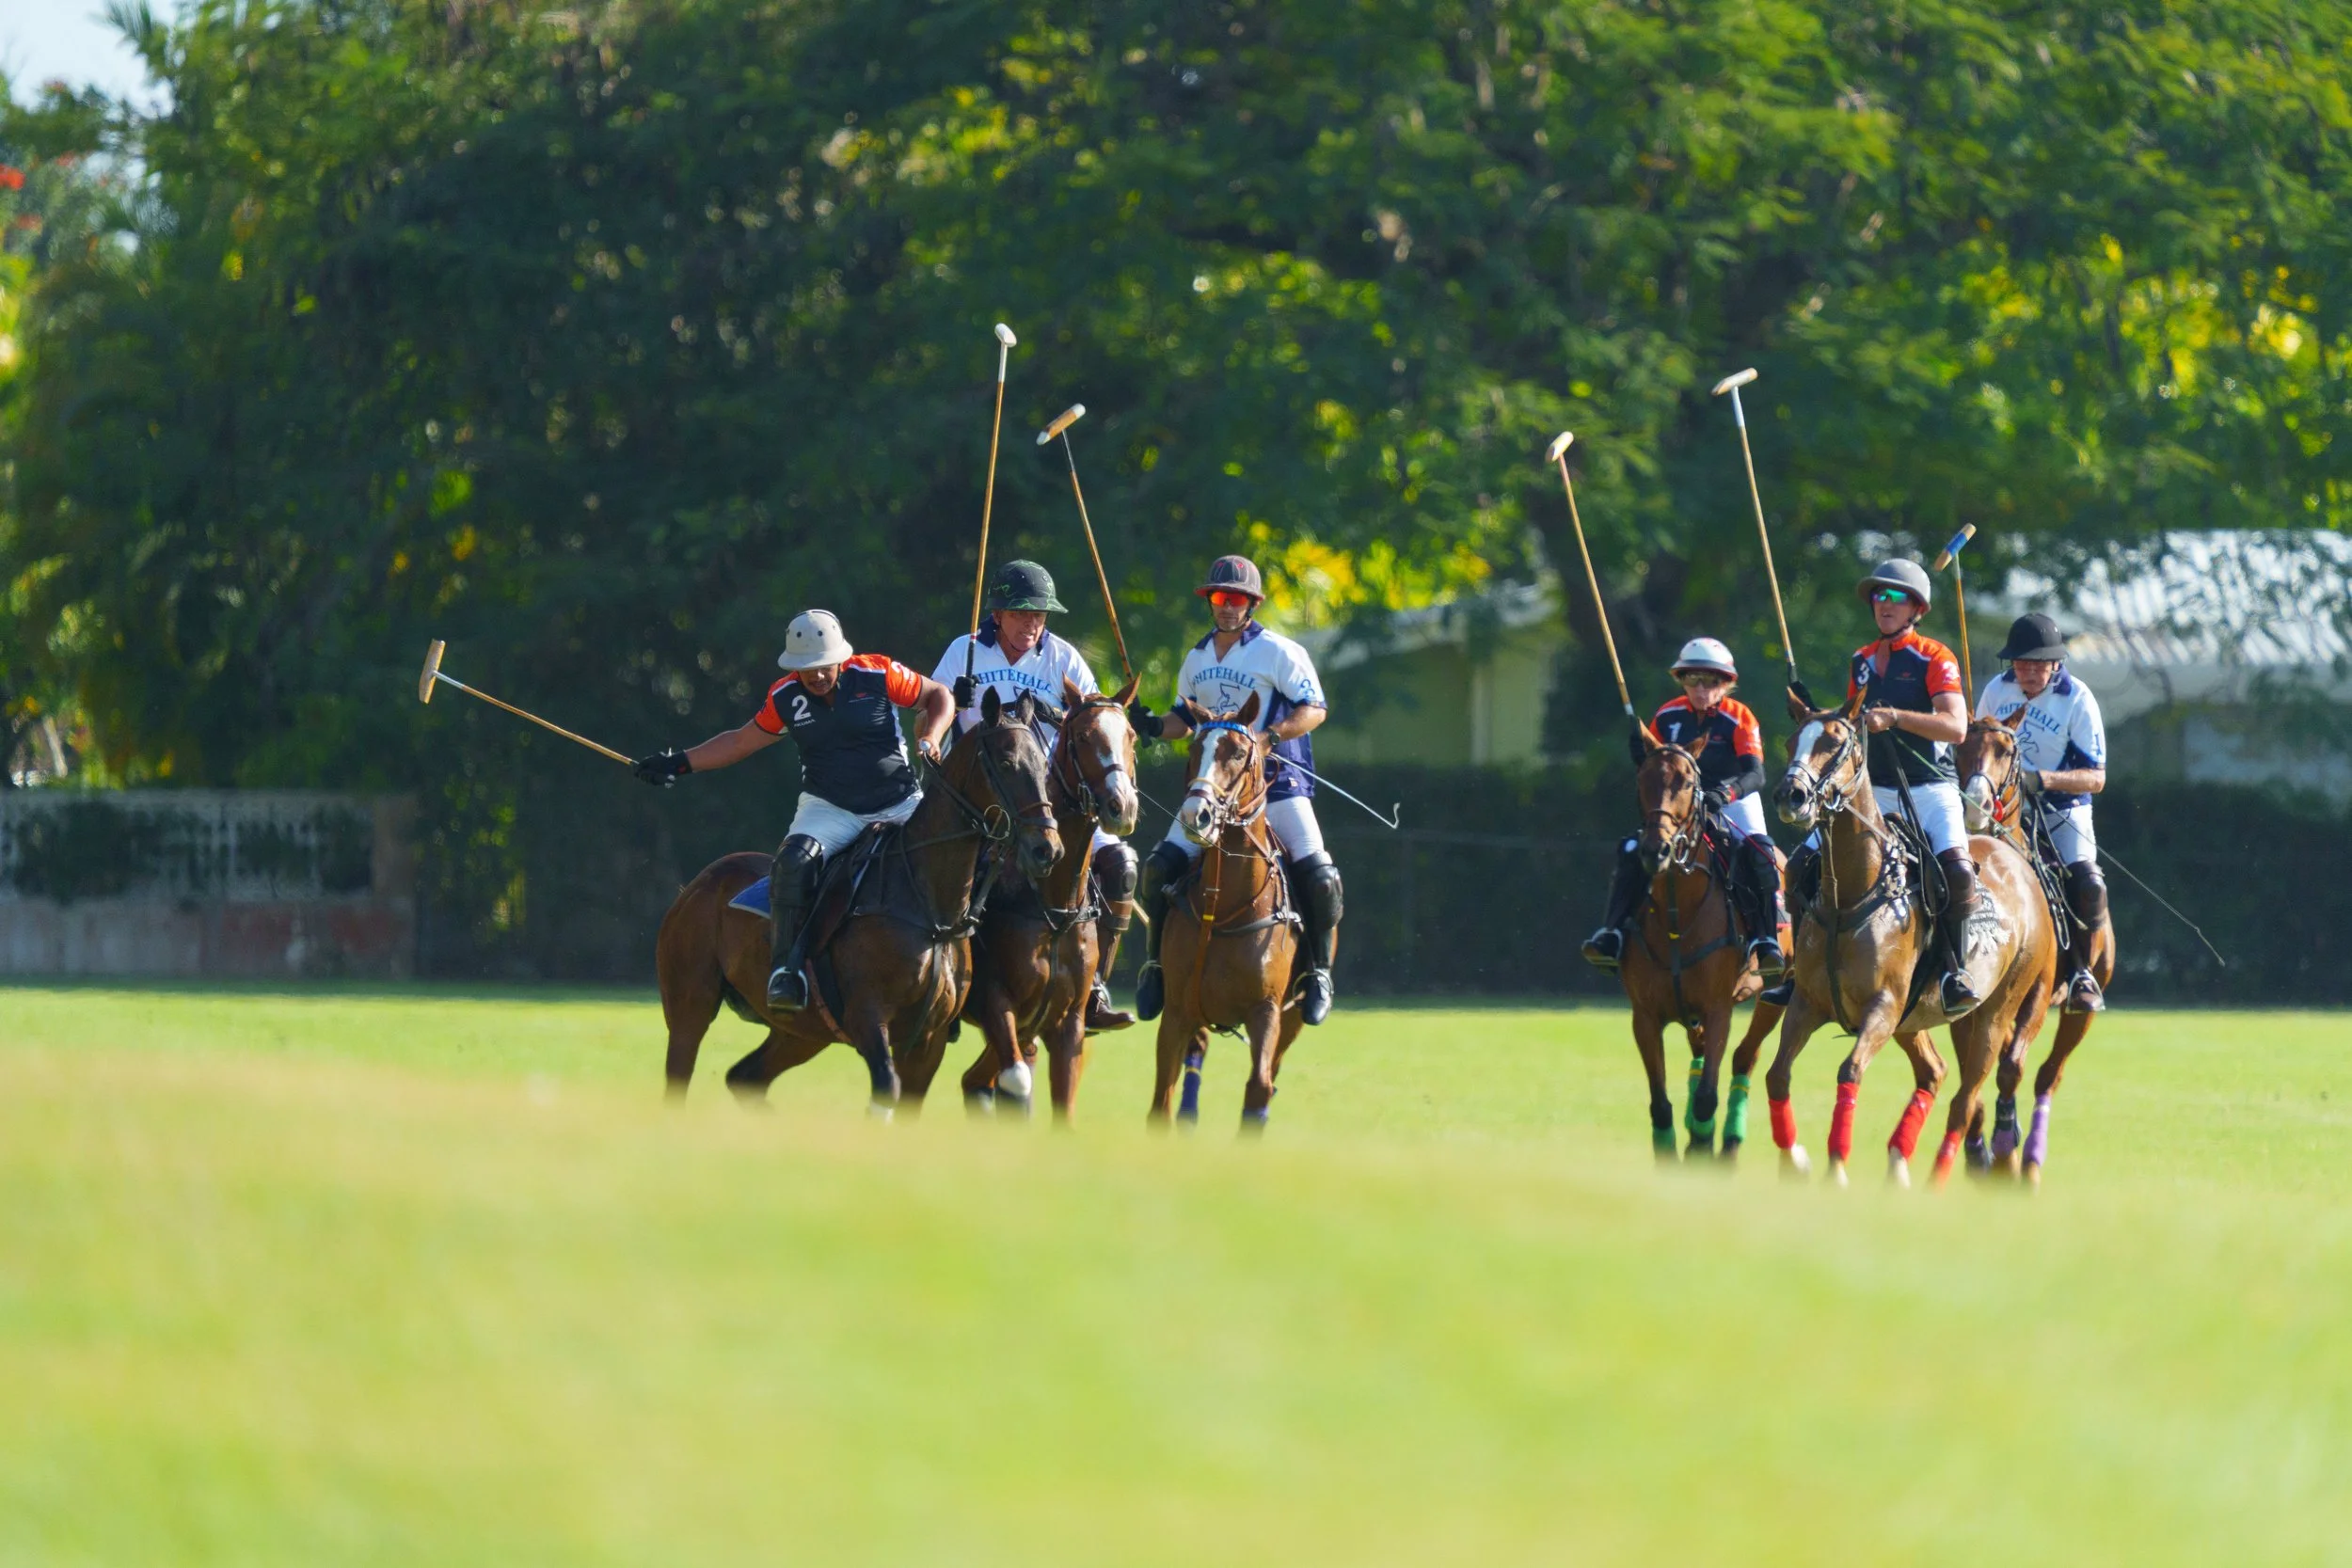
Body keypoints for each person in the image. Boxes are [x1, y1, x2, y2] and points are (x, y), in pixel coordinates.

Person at [632, 610, 954, 1012]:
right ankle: (787, 971)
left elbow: (938, 695)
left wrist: (932, 737)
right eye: (805, 669)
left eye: (822, 667)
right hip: (830, 808)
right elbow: (740, 741)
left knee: (952, 855)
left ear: (840, 658)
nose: (815, 676)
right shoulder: (784, 696)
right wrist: (678, 762)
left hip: (899, 803)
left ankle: (965, 974)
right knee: (792, 860)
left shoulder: (877, 673)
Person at [1124, 554, 1344, 1025]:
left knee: (1320, 875)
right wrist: (1149, 725)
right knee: (1159, 866)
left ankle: (1319, 972)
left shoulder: (1279, 652)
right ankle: (1156, 967)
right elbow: (1183, 723)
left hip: (1278, 786)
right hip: (1213, 790)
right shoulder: (1197, 658)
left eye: (1238, 599)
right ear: (1210, 601)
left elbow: (1315, 709)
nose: (1228, 606)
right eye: (1220, 598)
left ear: (1252, 604)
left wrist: (1270, 736)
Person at [930, 559, 1136, 1033]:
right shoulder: (963, 653)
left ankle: (1095, 986)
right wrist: (952, 701)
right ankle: (953, 981)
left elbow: (1097, 716)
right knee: (956, 878)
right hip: (981, 802)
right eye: (1023, 613)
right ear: (997, 614)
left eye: (1040, 615)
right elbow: (931, 719)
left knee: (1122, 868)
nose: (1033, 624)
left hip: (1049, 803)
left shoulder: (1061, 656)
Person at [1821, 558, 1982, 1017]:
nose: (1884, 604)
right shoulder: (1862, 660)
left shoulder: (1936, 657)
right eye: (1878, 596)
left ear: (1916, 608)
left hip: (1930, 787)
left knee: (1956, 870)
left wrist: (1894, 717)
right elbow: (1851, 719)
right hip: (1874, 789)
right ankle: (1801, 962)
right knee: (1808, 860)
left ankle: (1954, 970)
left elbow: (1955, 727)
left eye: (1895, 597)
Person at [1581, 637, 1786, 975]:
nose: (1702, 688)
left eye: (1711, 681)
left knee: (1760, 852)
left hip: (1731, 801)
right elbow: (1653, 767)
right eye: (1693, 679)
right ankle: (1613, 933)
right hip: (1681, 805)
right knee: (1633, 848)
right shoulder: (1669, 714)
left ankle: (1764, 940)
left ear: (1726, 683)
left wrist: (1726, 794)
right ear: (1682, 681)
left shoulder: (1740, 717)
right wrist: (1639, 751)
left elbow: (1756, 773)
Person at [1975, 611, 2108, 1013]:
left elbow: (2096, 778)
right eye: (2020, 663)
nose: (2028, 672)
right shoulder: (1997, 691)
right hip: (2001, 810)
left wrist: (2041, 780)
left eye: (2037, 664)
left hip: (2062, 810)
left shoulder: (2078, 698)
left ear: (2055, 664)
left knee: (2088, 883)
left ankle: (2083, 971)